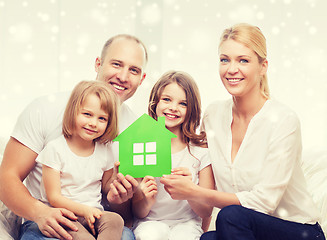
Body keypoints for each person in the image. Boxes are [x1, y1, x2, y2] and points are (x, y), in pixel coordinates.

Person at [161, 23, 325, 240]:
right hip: (243, 230)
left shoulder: (284, 120)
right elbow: (203, 180)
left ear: (263, 66)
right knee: (207, 238)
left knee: (231, 216)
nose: (231, 69)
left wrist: (194, 191)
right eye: (224, 59)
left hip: (297, 231)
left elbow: (263, 203)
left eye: (243, 60)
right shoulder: (213, 116)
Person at [0, 34, 147, 240]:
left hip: (98, 220)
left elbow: (126, 216)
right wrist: (40, 213)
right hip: (47, 218)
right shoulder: (44, 110)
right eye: (116, 64)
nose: (123, 76)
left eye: (133, 70)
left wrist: (119, 198)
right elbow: (7, 178)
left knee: (125, 233)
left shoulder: (139, 133)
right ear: (98, 63)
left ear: (142, 78)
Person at [132, 71, 215, 240]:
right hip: (150, 222)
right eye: (167, 99)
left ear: (191, 109)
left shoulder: (201, 153)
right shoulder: (142, 148)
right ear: (155, 103)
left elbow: (206, 211)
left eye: (183, 103)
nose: (173, 107)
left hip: (187, 224)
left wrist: (189, 190)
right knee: (149, 236)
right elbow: (139, 212)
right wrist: (145, 198)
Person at [37, 81, 124, 239]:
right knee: (83, 237)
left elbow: (106, 187)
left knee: (116, 220)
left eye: (102, 119)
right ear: (73, 112)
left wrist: (115, 179)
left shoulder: (105, 151)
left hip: (95, 213)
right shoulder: (55, 149)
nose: (93, 123)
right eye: (87, 114)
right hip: (63, 213)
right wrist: (85, 210)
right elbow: (54, 198)